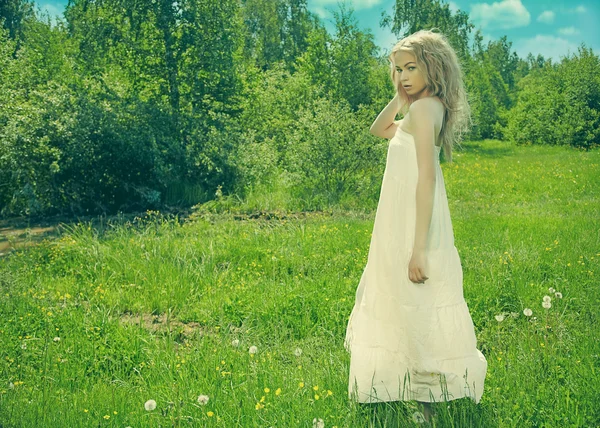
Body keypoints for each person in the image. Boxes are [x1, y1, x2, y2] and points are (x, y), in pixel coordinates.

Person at [343, 29, 487, 423]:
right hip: (403, 218)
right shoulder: (419, 106)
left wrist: (418, 247)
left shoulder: (426, 110)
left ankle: (428, 400)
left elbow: (427, 176)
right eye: (397, 69)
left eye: (411, 68)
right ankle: (415, 390)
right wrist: (399, 98)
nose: (403, 75)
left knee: (418, 300)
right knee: (407, 300)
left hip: (414, 222)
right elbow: (380, 129)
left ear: (433, 67)